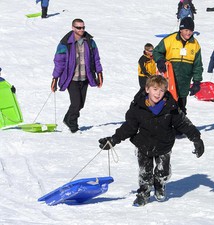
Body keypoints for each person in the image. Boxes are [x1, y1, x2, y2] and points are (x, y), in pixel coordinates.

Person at [98, 76, 204, 207]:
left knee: (162, 171)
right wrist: (113, 140)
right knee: (145, 172)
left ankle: (159, 185)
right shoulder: (138, 107)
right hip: (144, 144)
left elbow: (183, 124)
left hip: (164, 145)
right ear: (147, 89)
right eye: (155, 89)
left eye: (161, 90)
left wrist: (196, 139)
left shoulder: (170, 107)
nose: (158, 94)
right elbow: (129, 127)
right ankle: (144, 193)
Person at [51, 18, 103, 133]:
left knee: (81, 104)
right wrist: (55, 78)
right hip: (71, 78)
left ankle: (67, 118)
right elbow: (59, 62)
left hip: (85, 77)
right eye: (79, 27)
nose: (82, 30)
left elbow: (96, 58)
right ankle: (73, 125)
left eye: (83, 27)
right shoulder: (65, 43)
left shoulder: (89, 42)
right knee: (76, 103)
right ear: (73, 28)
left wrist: (99, 73)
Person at [153, 17, 203, 115]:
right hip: (169, 81)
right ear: (181, 29)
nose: (188, 33)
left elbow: (197, 65)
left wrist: (197, 81)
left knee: (181, 108)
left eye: (191, 31)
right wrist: (160, 61)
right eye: (186, 30)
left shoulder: (195, 44)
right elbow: (156, 51)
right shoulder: (170, 39)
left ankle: (180, 128)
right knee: (166, 106)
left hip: (184, 83)